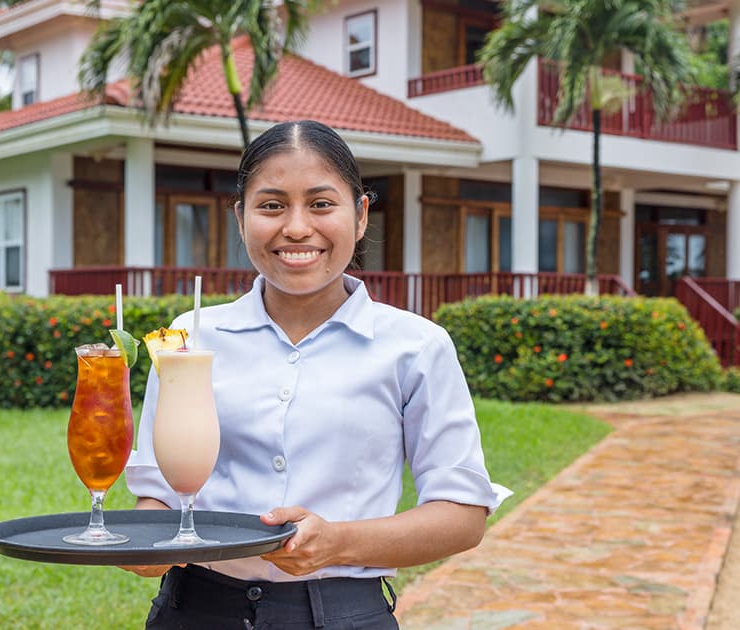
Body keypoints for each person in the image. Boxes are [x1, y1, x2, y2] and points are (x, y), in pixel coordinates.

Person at [124, 119, 510, 629]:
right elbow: (157, 495)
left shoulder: (416, 346)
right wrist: (144, 544)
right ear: (241, 217)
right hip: (193, 611)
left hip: (344, 615)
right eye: (271, 206)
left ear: (361, 214)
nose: (296, 227)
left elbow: (462, 516)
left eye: (322, 204)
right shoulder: (188, 337)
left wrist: (339, 542)